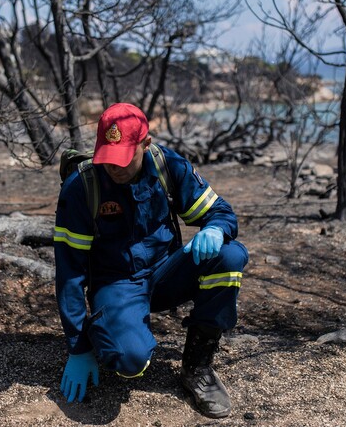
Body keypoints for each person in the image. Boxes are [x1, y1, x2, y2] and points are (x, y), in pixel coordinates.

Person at [53, 102, 249, 418]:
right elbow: (69, 273)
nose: (113, 167)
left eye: (123, 158)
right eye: (108, 157)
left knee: (229, 255)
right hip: (116, 285)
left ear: (146, 144)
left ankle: (197, 367)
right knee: (130, 361)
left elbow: (221, 213)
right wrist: (78, 348)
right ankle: (109, 327)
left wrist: (214, 228)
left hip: (166, 273)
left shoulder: (166, 165)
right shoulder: (82, 187)